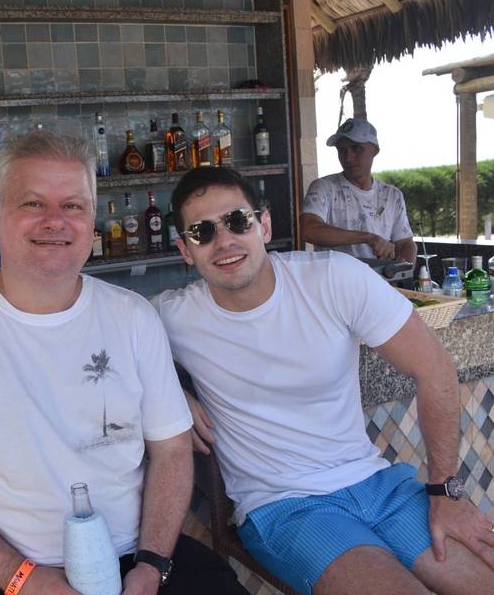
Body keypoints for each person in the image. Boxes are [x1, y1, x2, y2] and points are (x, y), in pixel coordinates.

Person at [0, 131, 247, 595]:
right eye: (33, 204)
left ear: (92, 223)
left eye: (73, 206)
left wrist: (151, 563)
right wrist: (23, 579)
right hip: (6, 572)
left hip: (134, 555)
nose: (55, 221)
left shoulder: (132, 315)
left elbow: (172, 450)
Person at [153, 166, 494, 595]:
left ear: (264, 224)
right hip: (286, 508)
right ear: (186, 250)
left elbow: (436, 369)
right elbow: (97, 344)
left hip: (378, 484)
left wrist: (446, 491)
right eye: (202, 232)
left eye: (237, 221)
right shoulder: (173, 315)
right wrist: (170, 392)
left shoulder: (333, 278)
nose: (224, 242)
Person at [301, 118, 417, 264]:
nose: (348, 157)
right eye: (342, 150)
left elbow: (405, 242)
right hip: (336, 284)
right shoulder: (324, 188)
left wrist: (401, 272)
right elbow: (308, 230)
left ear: (375, 150)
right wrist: (368, 238)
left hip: (379, 283)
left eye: (356, 148)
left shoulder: (392, 195)